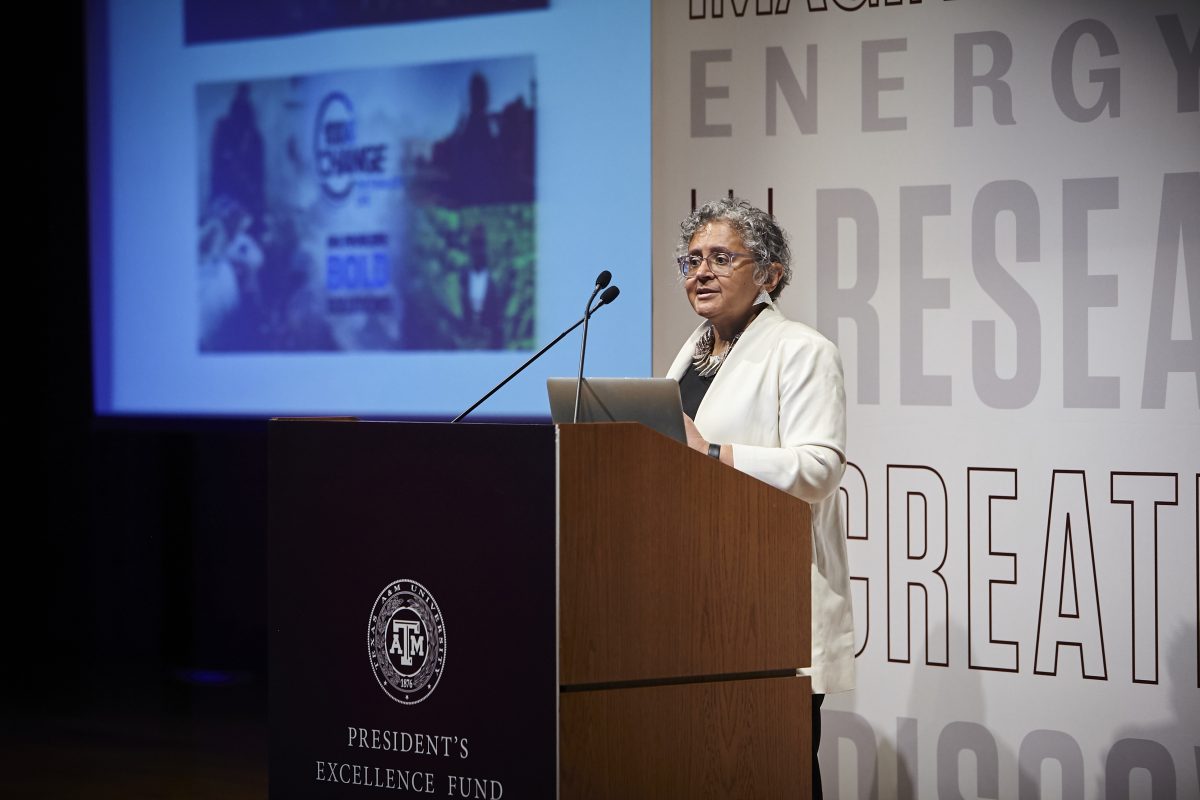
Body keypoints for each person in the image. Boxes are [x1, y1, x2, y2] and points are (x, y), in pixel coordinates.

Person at [665, 197, 854, 799]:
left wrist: (716, 456)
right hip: (695, 599)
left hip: (770, 602)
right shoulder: (690, 355)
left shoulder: (802, 350)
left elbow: (821, 468)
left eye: (722, 257)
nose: (701, 272)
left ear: (769, 273)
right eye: (692, 260)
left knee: (774, 775)